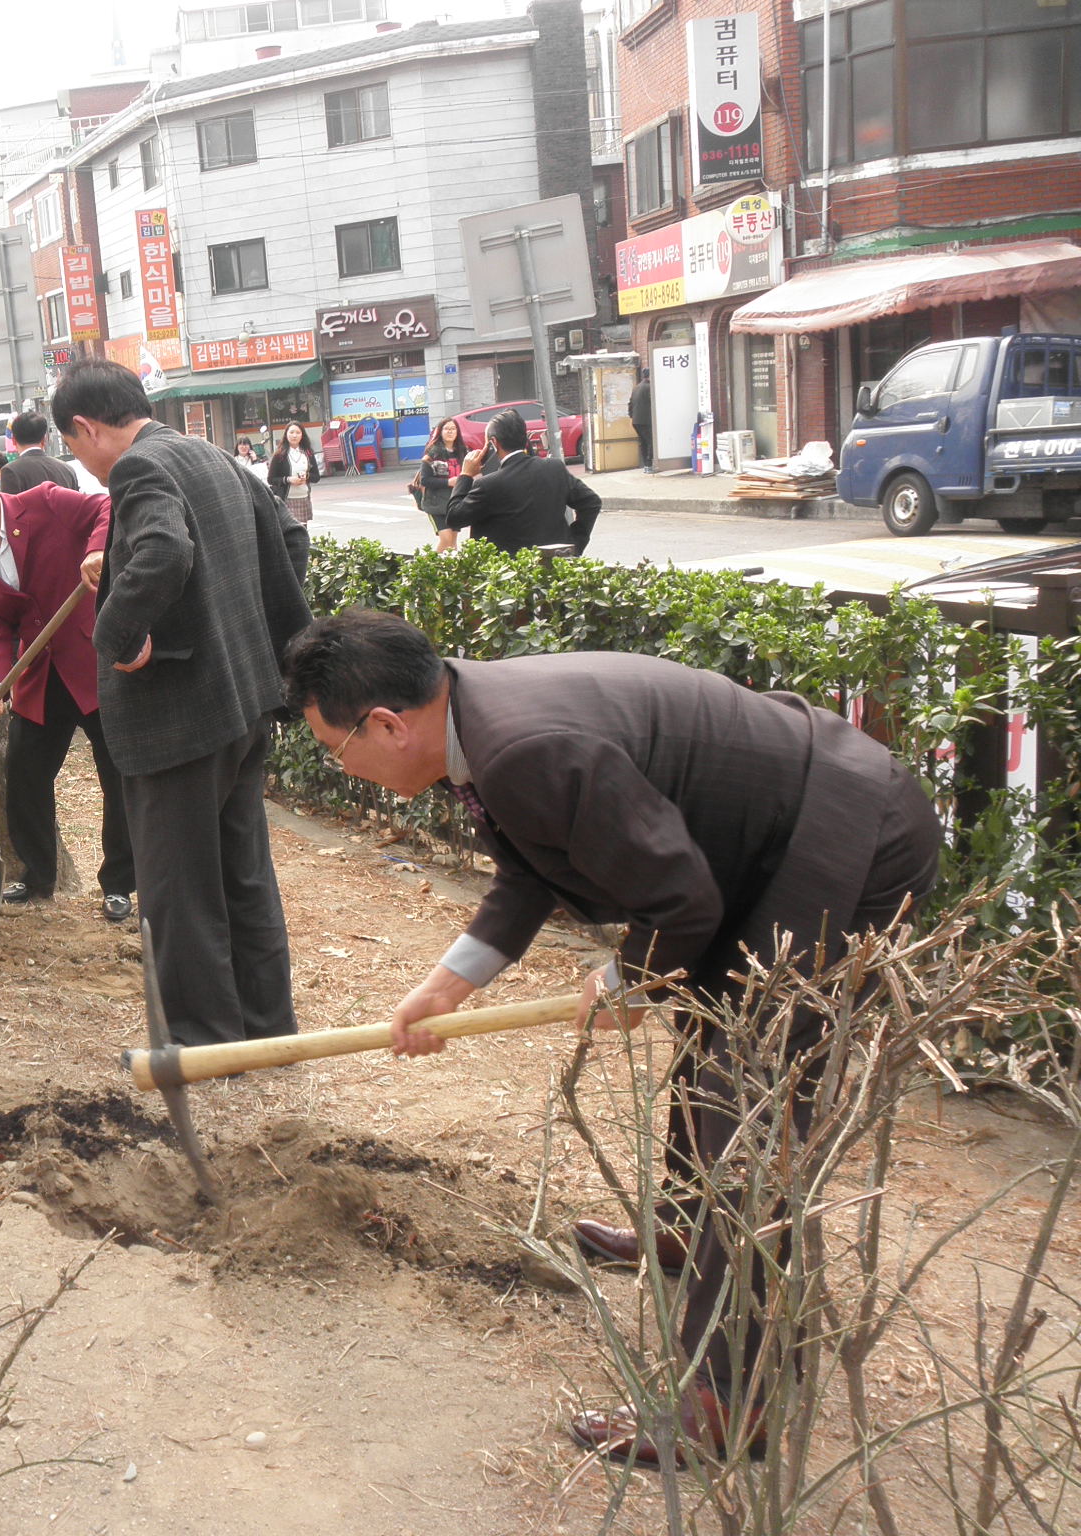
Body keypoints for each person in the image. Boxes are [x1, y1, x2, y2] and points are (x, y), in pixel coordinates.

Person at [282, 609, 941, 1462]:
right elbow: (531, 867)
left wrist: (631, 978)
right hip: (776, 837)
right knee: (717, 1029)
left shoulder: (523, 746)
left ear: (386, 724)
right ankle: (685, 1229)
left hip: (846, 839)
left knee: (748, 1100)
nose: (354, 772)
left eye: (341, 753)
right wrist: (446, 987)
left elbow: (684, 905)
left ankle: (729, 1404)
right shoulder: (468, 715)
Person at [50, 360, 310, 1047]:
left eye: (74, 452)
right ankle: (267, 1029)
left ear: (86, 427)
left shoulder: (139, 468)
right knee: (243, 876)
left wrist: (120, 634)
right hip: (246, 702)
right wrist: (242, 624)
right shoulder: (210, 454)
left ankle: (200, 1042)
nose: (85, 467)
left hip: (179, 720)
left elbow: (165, 550)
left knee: (179, 889)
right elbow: (288, 539)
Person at [0, 456, 134, 922]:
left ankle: (120, 882)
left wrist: (97, 550)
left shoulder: (42, 504)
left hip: (94, 664)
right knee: (26, 775)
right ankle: (37, 874)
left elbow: (107, 506)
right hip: (41, 675)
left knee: (117, 778)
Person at [438, 408, 602, 556]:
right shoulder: (554, 468)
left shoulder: (488, 485)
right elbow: (591, 502)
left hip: (511, 576)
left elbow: (454, 518)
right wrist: (574, 543)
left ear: (494, 443)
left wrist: (465, 475)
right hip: (554, 563)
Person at [0, 410, 78, 494]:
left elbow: (9, 505)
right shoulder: (67, 469)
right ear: (44, 439)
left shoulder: (11, 471)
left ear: (13, 440)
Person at [412, 417, 466, 534]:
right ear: (440, 432)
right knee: (446, 538)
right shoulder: (433, 453)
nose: (450, 431)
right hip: (435, 504)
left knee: (452, 541)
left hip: (454, 503)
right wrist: (448, 482)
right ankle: (431, 554)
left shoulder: (462, 452)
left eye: (453, 429)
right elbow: (425, 480)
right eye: (446, 429)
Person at [267, 422, 320, 524]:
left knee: (302, 531)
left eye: (298, 432)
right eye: (291, 432)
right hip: (286, 499)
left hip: (303, 497)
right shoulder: (279, 455)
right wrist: (288, 479)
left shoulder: (308, 453)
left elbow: (316, 477)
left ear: (302, 435)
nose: (294, 435)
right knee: (289, 531)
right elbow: (271, 479)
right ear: (286, 434)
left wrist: (307, 477)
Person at [629, 366, 654, 472]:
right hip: (645, 420)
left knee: (643, 442)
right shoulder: (649, 388)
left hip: (636, 421)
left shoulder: (636, 387)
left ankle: (646, 466)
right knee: (651, 442)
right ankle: (649, 465)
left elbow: (630, 404)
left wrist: (632, 416)